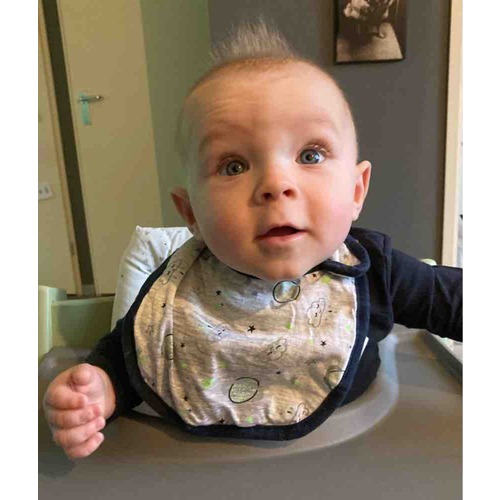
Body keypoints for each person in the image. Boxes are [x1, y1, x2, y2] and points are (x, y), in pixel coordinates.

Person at [43, 20, 462, 458]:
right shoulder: (181, 291)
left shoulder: (374, 271)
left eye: (310, 155)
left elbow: (452, 301)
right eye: (233, 166)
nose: (276, 184)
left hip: (353, 463)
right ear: (190, 214)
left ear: (356, 191)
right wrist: (101, 388)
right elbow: (135, 356)